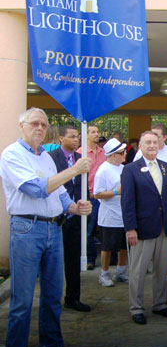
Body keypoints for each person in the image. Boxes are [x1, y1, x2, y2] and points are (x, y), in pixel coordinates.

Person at [0, 108, 92, 347]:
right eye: (34, 123)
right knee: (22, 301)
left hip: (54, 228)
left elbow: (59, 194)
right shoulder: (11, 155)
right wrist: (74, 170)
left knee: (53, 298)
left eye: (43, 124)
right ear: (22, 125)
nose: (39, 127)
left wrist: (76, 207)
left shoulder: (46, 158)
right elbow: (37, 189)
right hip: (27, 229)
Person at [121, 131, 167, 325]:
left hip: (164, 227)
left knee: (161, 269)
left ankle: (160, 304)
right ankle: (136, 307)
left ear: (160, 144)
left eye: (155, 142)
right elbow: (127, 201)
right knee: (138, 271)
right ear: (140, 146)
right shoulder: (130, 169)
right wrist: (130, 228)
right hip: (142, 229)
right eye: (147, 142)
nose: (152, 145)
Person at [48, 125, 91, 312]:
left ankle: (73, 298)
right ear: (60, 138)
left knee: (73, 260)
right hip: (57, 216)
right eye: (72, 136)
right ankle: (52, 299)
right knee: (54, 261)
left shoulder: (81, 160)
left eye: (77, 137)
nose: (76, 140)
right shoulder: (51, 158)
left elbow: (83, 186)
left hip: (76, 216)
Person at [94, 138, 129, 287]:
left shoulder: (122, 168)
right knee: (107, 247)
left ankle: (120, 272)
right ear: (113, 155)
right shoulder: (103, 170)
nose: (124, 155)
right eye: (121, 153)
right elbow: (97, 194)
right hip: (109, 215)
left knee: (124, 246)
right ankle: (104, 273)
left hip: (123, 214)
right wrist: (116, 192)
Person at [77, 124, 106, 270]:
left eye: (97, 132)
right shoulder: (80, 153)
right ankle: (89, 259)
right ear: (86, 135)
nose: (96, 134)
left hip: (104, 195)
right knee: (88, 229)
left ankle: (110, 258)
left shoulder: (104, 153)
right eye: (93, 132)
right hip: (89, 195)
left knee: (104, 227)